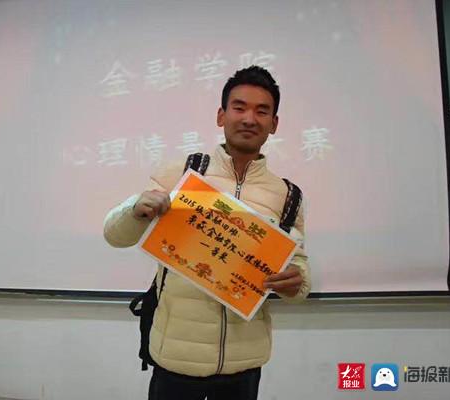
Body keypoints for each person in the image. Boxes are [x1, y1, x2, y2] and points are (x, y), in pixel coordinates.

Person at [103, 66, 311, 400]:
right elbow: (115, 236)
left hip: (244, 364)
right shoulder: (183, 172)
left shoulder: (288, 196)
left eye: (262, 111)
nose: (249, 118)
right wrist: (135, 210)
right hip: (175, 357)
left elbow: (299, 271)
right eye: (239, 107)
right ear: (221, 115)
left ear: (274, 124)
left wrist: (296, 282)